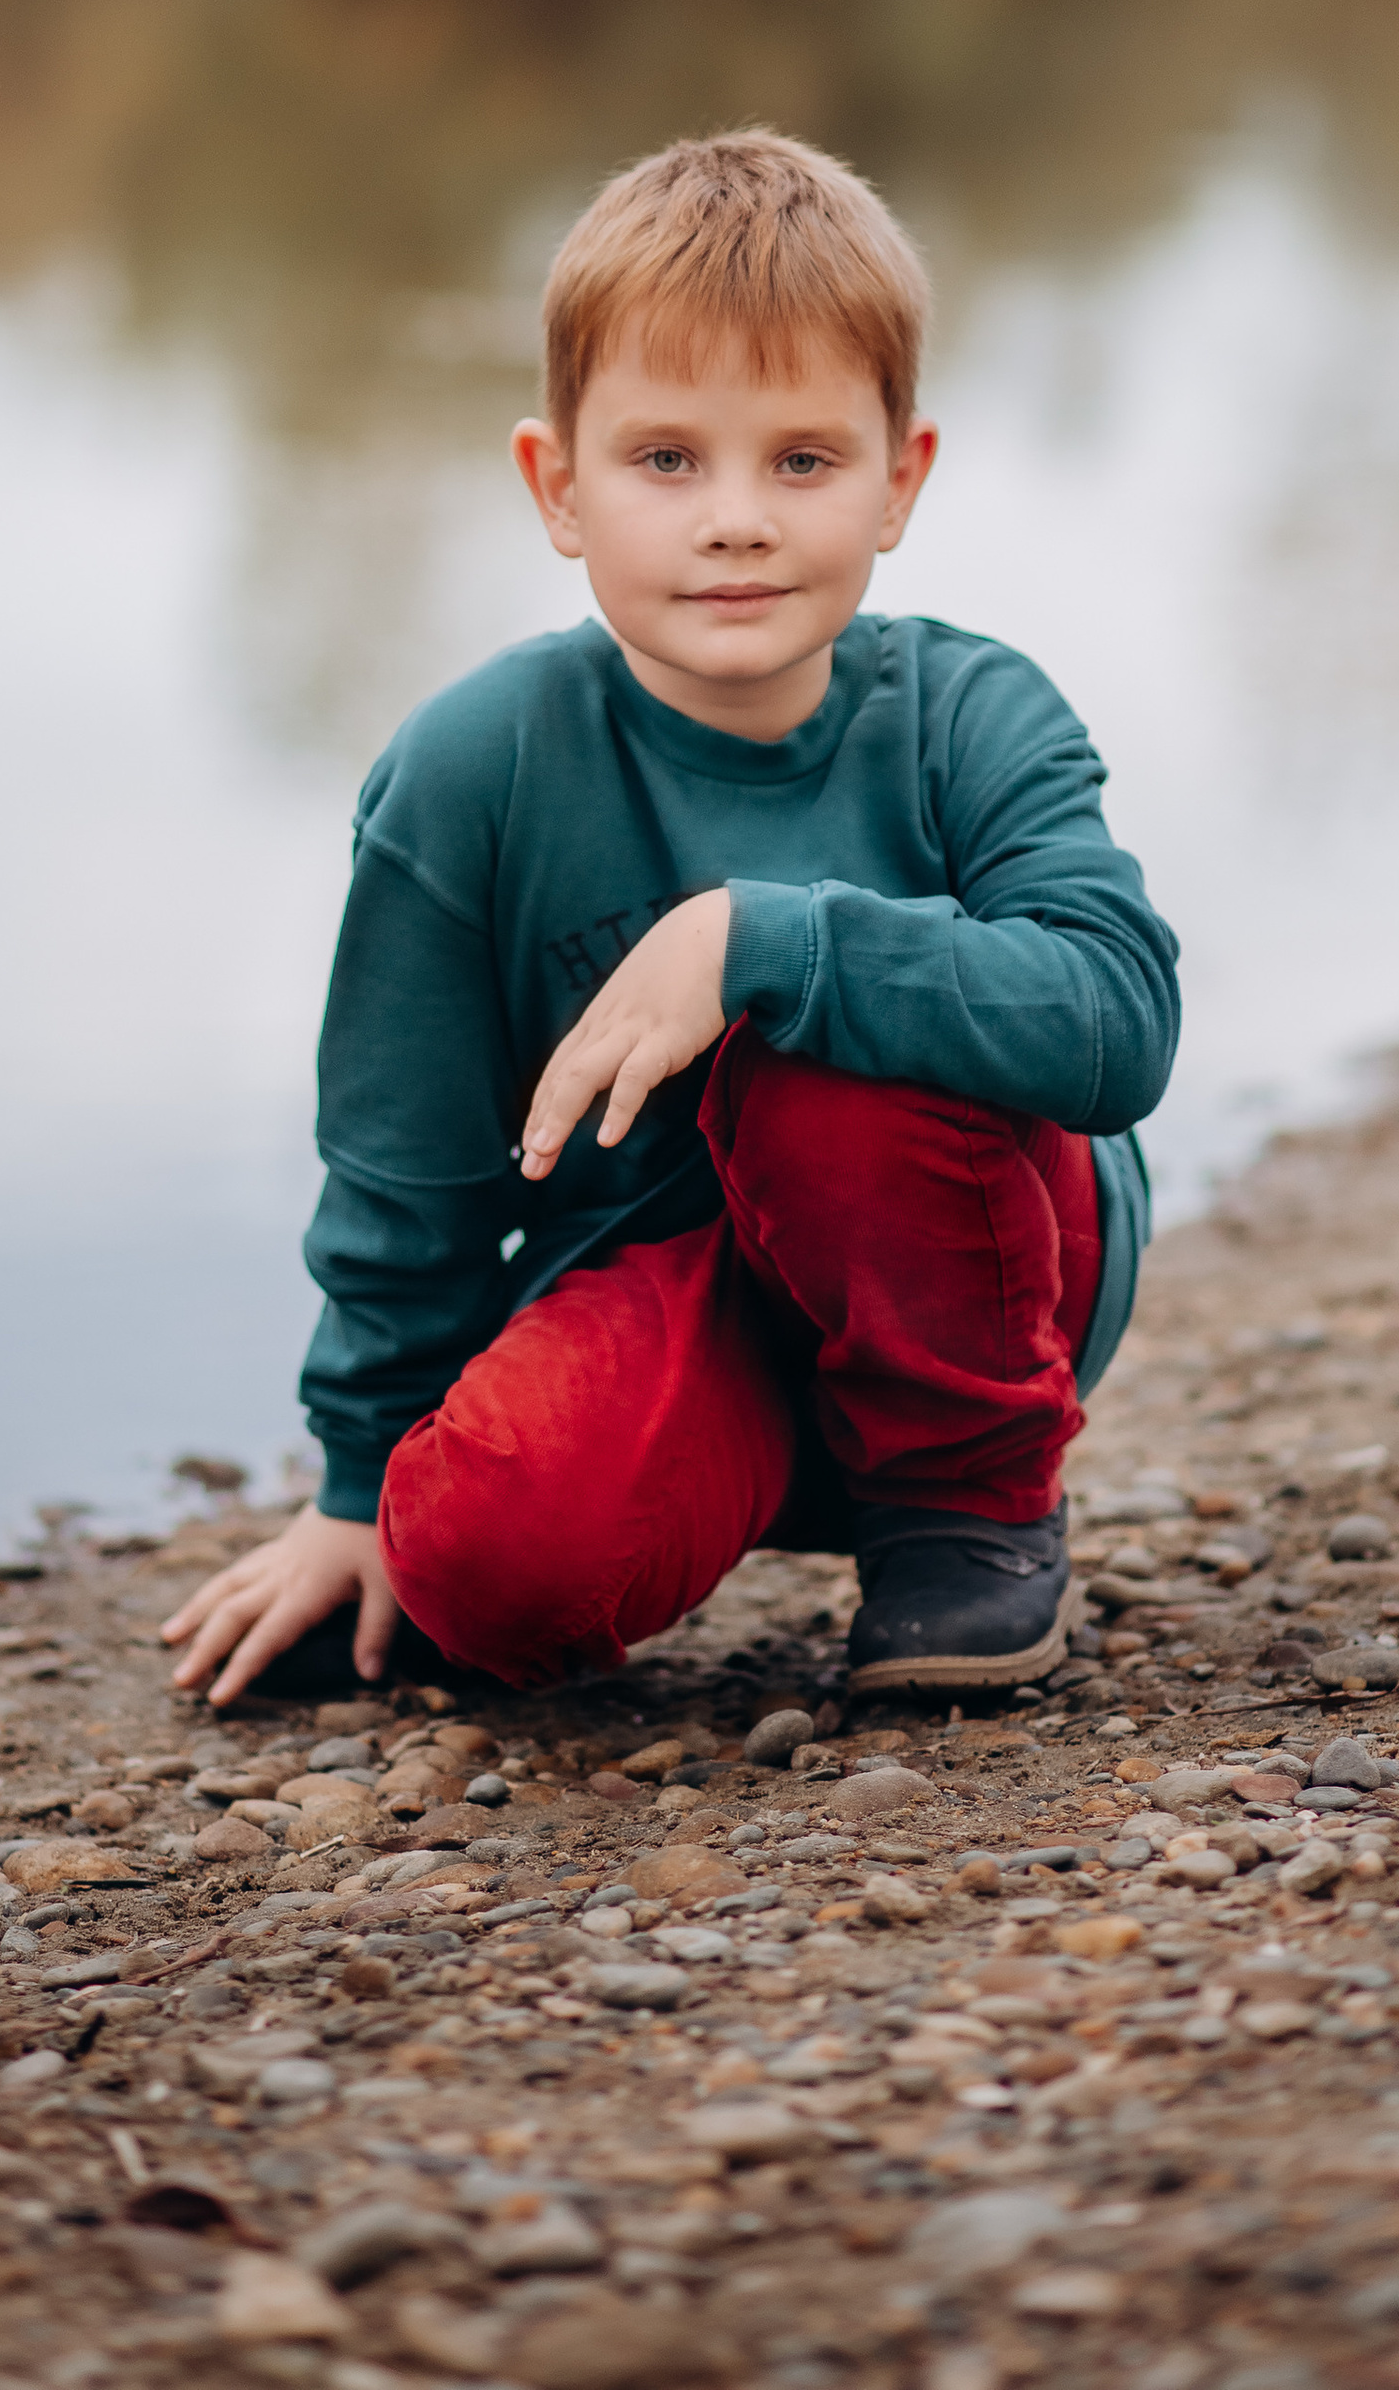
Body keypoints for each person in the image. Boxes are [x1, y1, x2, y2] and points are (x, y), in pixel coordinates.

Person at [163, 127, 1179, 1708]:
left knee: (824, 1033)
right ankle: (712, 1474)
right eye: (664, 462)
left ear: (900, 480)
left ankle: (966, 1521)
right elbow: (404, 1161)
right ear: (555, 487)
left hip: (982, 1292)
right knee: (479, 1569)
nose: (735, 521)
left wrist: (763, 941)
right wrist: (362, 1488)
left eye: (802, 460)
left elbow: (1117, 1026)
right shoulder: (469, 772)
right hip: (678, 1296)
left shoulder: (975, 713)